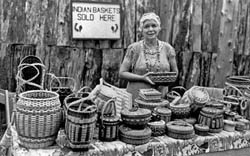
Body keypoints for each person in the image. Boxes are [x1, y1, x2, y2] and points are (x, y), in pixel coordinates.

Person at [119, 12, 178, 103]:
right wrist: (142, 78)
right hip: (136, 96)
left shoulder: (168, 49)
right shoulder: (134, 48)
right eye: (146, 26)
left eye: (154, 26)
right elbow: (122, 73)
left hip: (160, 97)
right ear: (141, 29)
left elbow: (175, 73)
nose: (150, 29)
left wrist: (165, 81)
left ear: (159, 28)